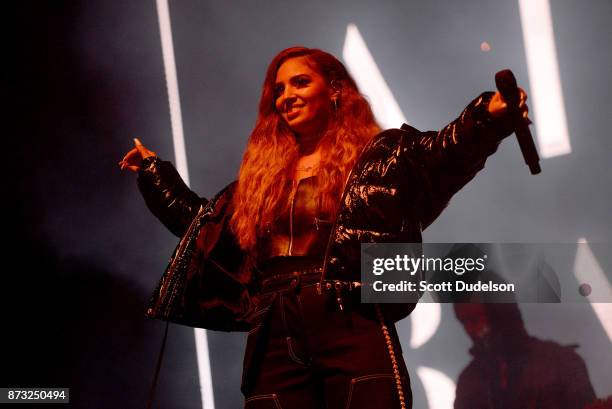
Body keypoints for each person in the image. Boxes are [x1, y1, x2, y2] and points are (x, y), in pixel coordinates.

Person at [119, 46, 529, 408]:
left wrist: (488, 116)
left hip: (345, 309)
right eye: (278, 90)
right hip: (272, 323)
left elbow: (443, 153)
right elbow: (203, 231)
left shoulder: (377, 159)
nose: (286, 97)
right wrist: (154, 174)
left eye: (299, 82)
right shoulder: (261, 181)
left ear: (334, 89)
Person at [453, 302, 596, 409]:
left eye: (476, 319)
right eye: (464, 322)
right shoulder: (469, 379)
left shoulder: (560, 361)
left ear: (501, 314)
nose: (470, 330)